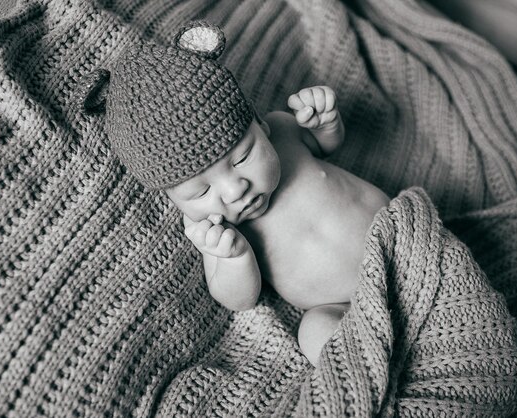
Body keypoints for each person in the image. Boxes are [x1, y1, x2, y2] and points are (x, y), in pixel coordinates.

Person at [102, 21, 389, 367]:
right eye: (202, 190)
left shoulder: (283, 132)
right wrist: (235, 257)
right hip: (343, 307)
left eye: (242, 158)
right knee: (313, 333)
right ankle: (373, 370)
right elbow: (239, 300)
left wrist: (326, 124)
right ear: (175, 199)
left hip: (397, 241)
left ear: (259, 123)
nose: (235, 188)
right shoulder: (213, 230)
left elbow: (325, 145)